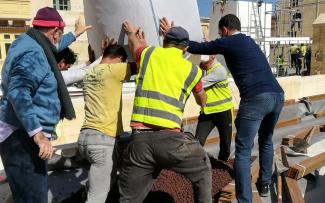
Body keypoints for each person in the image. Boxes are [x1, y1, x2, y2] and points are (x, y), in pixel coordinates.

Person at [160, 14, 284, 202]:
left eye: (220, 33)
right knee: (266, 140)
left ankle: (244, 200)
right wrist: (213, 44)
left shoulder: (229, 42)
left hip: (256, 98)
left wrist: (172, 35)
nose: (220, 37)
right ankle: (265, 184)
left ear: (225, 30)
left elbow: (198, 47)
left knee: (242, 151)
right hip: (277, 95)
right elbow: (211, 46)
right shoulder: (247, 41)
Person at [0, 7, 90, 203]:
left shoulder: (30, 42)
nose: (59, 41)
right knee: (34, 198)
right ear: (54, 32)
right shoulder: (34, 53)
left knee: (23, 195)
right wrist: (39, 136)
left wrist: (75, 34)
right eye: (59, 34)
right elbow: (18, 92)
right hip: (23, 137)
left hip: (19, 134)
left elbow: (55, 46)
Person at [118, 21, 212, 203]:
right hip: (171, 142)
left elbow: (135, 45)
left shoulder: (149, 53)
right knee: (202, 168)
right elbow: (202, 99)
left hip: (139, 142)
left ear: (164, 41)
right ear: (185, 49)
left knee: (129, 198)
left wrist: (130, 33)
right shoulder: (192, 70)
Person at [78, 42, 136, 203]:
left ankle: (86, 192)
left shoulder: (90, 72)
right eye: (122, 61)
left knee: (108, 178)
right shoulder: (114, 70)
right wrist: (134, 39)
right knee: (97, 198)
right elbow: (142, 63)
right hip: (102, 142)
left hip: (85, 137)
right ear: (119, 59)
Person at [195, 55, 233, 161]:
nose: (203, 63)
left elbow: (198, 84)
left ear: (213, 57)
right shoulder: (201, 69)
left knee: (225, 145)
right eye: (202, 61)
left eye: (205, 61)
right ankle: (197, 164)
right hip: (207, 113)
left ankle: (222, 164)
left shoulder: (219, 71)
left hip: (223, 112)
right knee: (197, 141)